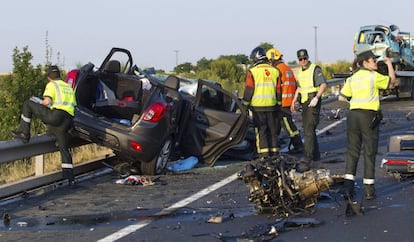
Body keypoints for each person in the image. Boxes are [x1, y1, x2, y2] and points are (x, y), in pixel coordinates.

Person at [339, 50, 396, 200]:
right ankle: (369, 190)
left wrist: (354, 103)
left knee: (352, 152)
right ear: (365, 63)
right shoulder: (373, 76)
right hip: (368, 117)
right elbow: (392, 82)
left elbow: (341, 97)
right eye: (373, 60)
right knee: (369, 152)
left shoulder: (352, 78)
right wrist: (389, 64)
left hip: (353, 116)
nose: (376, 62)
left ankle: (348, 189)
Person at [12, 65, 77, 186]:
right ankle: (70, 179)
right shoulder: (68, 87)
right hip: (67, 121)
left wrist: (38, 102)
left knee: (28, 104)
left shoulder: (52, 85)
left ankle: (24, 133)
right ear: (59, 75)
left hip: (56, 116)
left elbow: (47, 102)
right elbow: (72, 106)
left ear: (48, 77)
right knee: (64, 149)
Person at [291, 49, 327, 170]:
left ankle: (307, 158)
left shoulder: (314, 69)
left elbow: (323, 84)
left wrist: (317, 97)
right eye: (301, 59)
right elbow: (300, 87)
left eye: (304, 58)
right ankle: (316, 158)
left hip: (313, 100)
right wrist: (294, 101)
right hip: (305, 102)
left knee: (309, 129)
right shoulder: (300, 71)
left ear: (307, 57)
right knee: (308, 129)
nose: (303, 61)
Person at [243, 46, 280, 160]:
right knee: (272, 131)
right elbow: (278, 90)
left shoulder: (253, 72)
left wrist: (244, 104)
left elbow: (249, 89)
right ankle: (275, 154)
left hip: (258, 108)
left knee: (261, 132)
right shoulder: (275, 71)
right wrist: (278, 104)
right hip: (272, 107)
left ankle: (264, 156)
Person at [266, 48, 304, 154]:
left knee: (287, 125)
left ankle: (298, 145)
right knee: (279, 124)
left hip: (282, 102)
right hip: (288, 101)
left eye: (269, 61)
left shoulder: (277, 70)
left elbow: (275, 87)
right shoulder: (286, 68)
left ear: (272, 60)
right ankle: (275, 146)